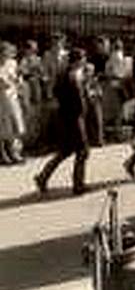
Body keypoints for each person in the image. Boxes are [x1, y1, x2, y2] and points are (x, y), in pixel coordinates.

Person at [34, 48, 90, 195]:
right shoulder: (73, 75)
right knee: (83, 151)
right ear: (79, 60)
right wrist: (85, 107)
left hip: (66, 116)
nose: (85, 61)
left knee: (66, 150)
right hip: (74, 118)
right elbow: (79, 101)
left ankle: (42, 177)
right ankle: (78, 185)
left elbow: (57, 93)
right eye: (83, 58)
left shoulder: (64, 73)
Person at [0, 43, 25, 165]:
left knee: (16, 126)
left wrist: (18, 81)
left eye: (8, 52)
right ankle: (3, 155)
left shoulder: (12, 63)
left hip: (12, 97)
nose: (6, 55)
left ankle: (16, 153)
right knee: (3, 128)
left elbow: (18, 77)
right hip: (1, 99)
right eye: (4, 52)